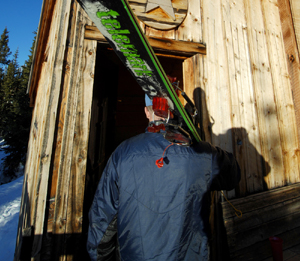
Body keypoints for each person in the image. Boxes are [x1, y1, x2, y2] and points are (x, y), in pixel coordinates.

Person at [87, 96, 240, 261]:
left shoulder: (122, 153)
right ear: (174, 111)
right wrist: (200, 144)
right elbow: (233, 176)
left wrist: (102, 258)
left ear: (147, 112)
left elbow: (102, 220)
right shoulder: (203, 153)